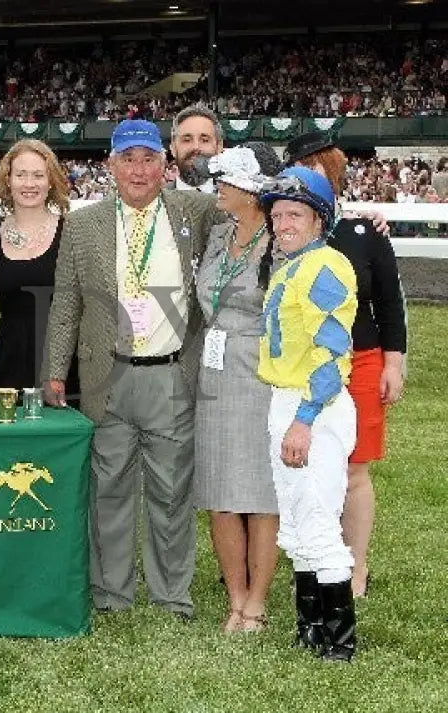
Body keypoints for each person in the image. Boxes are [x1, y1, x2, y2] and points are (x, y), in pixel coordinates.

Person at [42, 119, 220, 619]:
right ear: (110, 165)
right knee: (110, 489)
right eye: (128, 159)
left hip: (171, 373)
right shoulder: (82, 224)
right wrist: (56, 370)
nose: (138, 170)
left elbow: (258, 201)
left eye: (149, 159)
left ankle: (171, 596)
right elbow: (66, 303)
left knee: (171, 491)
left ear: (167, 166)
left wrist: (360, 218)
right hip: (108, 375)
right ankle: (111, 595)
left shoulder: (195, 211)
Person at [285, 131, 407, 599]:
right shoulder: (286, 232)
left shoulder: (364, 233)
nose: (313, 178)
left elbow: (390, 305)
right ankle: (314, 561)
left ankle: (356, 570)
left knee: (354, 471)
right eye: (303, 168)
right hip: (304, 366)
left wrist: (393, 365)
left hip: (361, 361)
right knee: (309, 469)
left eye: (320, 168)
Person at [257, 166, 359, 662]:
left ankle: (340, 641)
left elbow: (332, 351)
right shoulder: (292, 266)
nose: (283, 224)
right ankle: (311, 628)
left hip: (313, 405)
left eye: (294, 214)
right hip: (287, 399)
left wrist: (305, 417)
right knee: (296, 521)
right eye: (277, 215)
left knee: (317, 518)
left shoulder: (325, 266)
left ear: (319, 220)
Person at [193, 144, 282, 632]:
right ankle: (235, 598)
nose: (218, 188)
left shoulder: (279, 238)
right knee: (220, 486)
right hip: (215, 370)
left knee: (261, 490)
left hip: (262, 370)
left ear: (252, 191)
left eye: (226, 181)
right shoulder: (218, 232)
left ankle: (258, 602)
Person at [0, 139, 78, 398]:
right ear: (7, 180)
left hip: (63, 369)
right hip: (8, 366)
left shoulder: (73, 233)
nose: (29, 184)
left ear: (51, 180)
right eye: (21, 175)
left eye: (37, 175)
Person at [169, 105, 223, 193]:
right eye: (187, 140)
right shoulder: (154, 200)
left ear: (219, 147)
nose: (196, 147)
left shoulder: (238, 202)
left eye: (204, 140)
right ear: (173, 148)